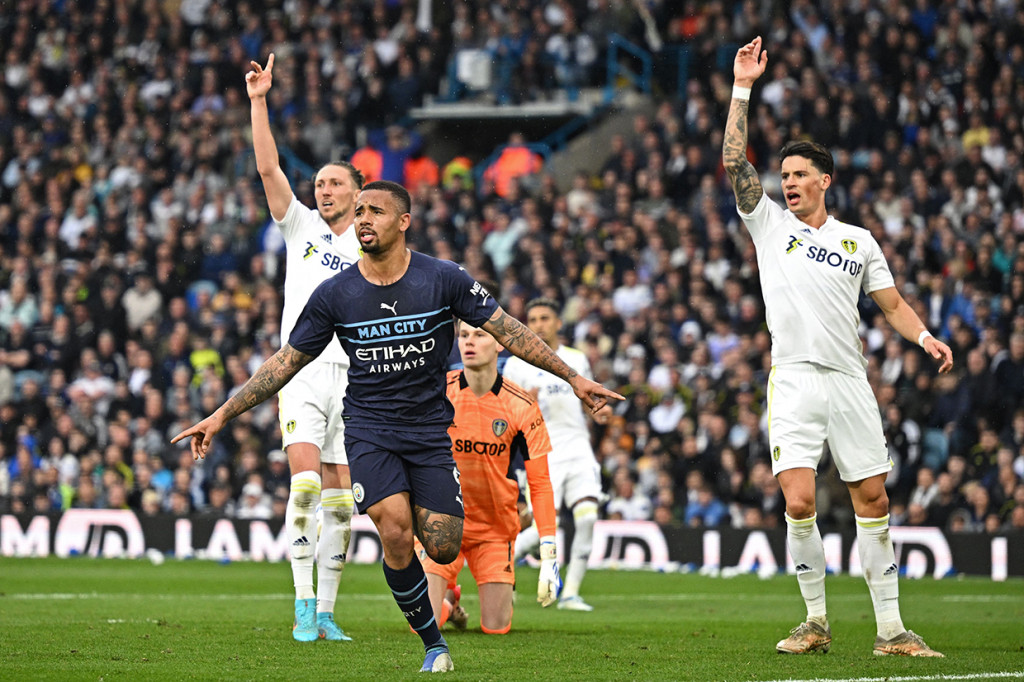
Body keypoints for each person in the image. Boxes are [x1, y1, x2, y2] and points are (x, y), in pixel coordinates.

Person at [172, 180, 622, 674]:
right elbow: (284, 364)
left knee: (444, 542)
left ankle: (442, 582)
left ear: (403, 222)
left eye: (376, 211)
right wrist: (220, 414)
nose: (362, 219)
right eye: (359, 210)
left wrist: (574, 377)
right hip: (369, 429)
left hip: (430, 432)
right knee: (393, 527)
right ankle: (434, 644)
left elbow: (507, 329)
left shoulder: (443, 278)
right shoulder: (335, 294)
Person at [722, 37, 954, 658]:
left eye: (800, 175)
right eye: (784, 175)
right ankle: (816, 622)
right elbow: (732, 161)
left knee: (872, 498)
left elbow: (893, 306)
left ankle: (891, 632)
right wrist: (743, 86)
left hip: (850, 380)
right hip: (794, 377)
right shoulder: (769, 224)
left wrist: (926, 336)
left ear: (825, 180)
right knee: (799, 499)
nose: (789, 182)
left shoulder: (859, 240)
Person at [247, 53, 363, 644]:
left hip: (359, 378)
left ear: (359, 193)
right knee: (306, 487)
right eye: (318, 182)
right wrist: (260, 101)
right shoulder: (301, 227)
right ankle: (300, 603)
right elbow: (269, 170)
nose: (322, 189)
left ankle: (327, 612)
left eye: (334, 182)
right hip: (304, 369)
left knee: (343, 503)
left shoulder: (374, 245)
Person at [417, 320, 561, 635]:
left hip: (494, 528)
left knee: (496, 627)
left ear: (499, 343)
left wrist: (549, 553)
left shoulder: (522, 405)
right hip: (442, 521)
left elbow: (540, 483)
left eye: (479, 335)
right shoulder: (437, 393)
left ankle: (455, 596)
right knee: (423, 626)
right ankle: (448, 602)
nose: (468, 342)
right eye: (464, 335)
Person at [504, 297, 611, 611]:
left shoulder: (577, 358)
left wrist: (599, 413)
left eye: (545, 318)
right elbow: (507, 417)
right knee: (541, 529)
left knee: (588, 518)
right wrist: (526, 404)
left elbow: (587, 402)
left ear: (558, 323)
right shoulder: (516, 363)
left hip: (579, 447)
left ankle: (571, 594)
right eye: (533, 319)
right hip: (543, 452)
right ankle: (501, 564)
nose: (538, 325)